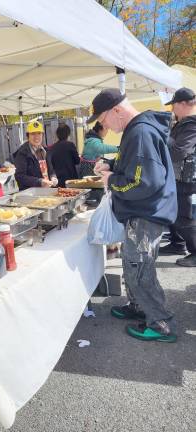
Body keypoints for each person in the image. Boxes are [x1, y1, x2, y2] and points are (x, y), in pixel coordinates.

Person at [89, 88, 178, 342]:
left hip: (146, 213)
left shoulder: (140, 131)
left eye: (103, 119)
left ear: (116, 110)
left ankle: (161, 323)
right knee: (132, 264)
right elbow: (137, 165)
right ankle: (137, 306)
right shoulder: (138, 129)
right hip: (143, 212)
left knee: (140, 269)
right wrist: (112, 164)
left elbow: (144, 182)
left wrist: (111, 179)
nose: (103, 125)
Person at [158, 88, 196, 266]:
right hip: (179, 176)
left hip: (186, 179)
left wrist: (164, 135)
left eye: (173, 104)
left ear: (182, 104)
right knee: (173, 212)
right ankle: (177, 243)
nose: (172, 108)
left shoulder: (191, 124)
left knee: (184, 217)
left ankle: (194, 252)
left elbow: (179, 152)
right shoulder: (183, 123)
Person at [14, 121, 57, 191]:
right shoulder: (22, 153)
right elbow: (19, 176)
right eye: (33, 134)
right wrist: (39, 181)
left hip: (47, 191)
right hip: (31, 194)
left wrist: (53, 177)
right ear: (28, 136)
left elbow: (51, 170)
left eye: (39, 133)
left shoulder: (45, 150)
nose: (37, 137)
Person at [48, 123, 80, 187]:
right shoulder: (70, 145)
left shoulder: (52, 148)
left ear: (57, 135)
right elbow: (77, 161)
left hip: (58, 180)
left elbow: (51, 164)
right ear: (68, 134)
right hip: (71, 179)